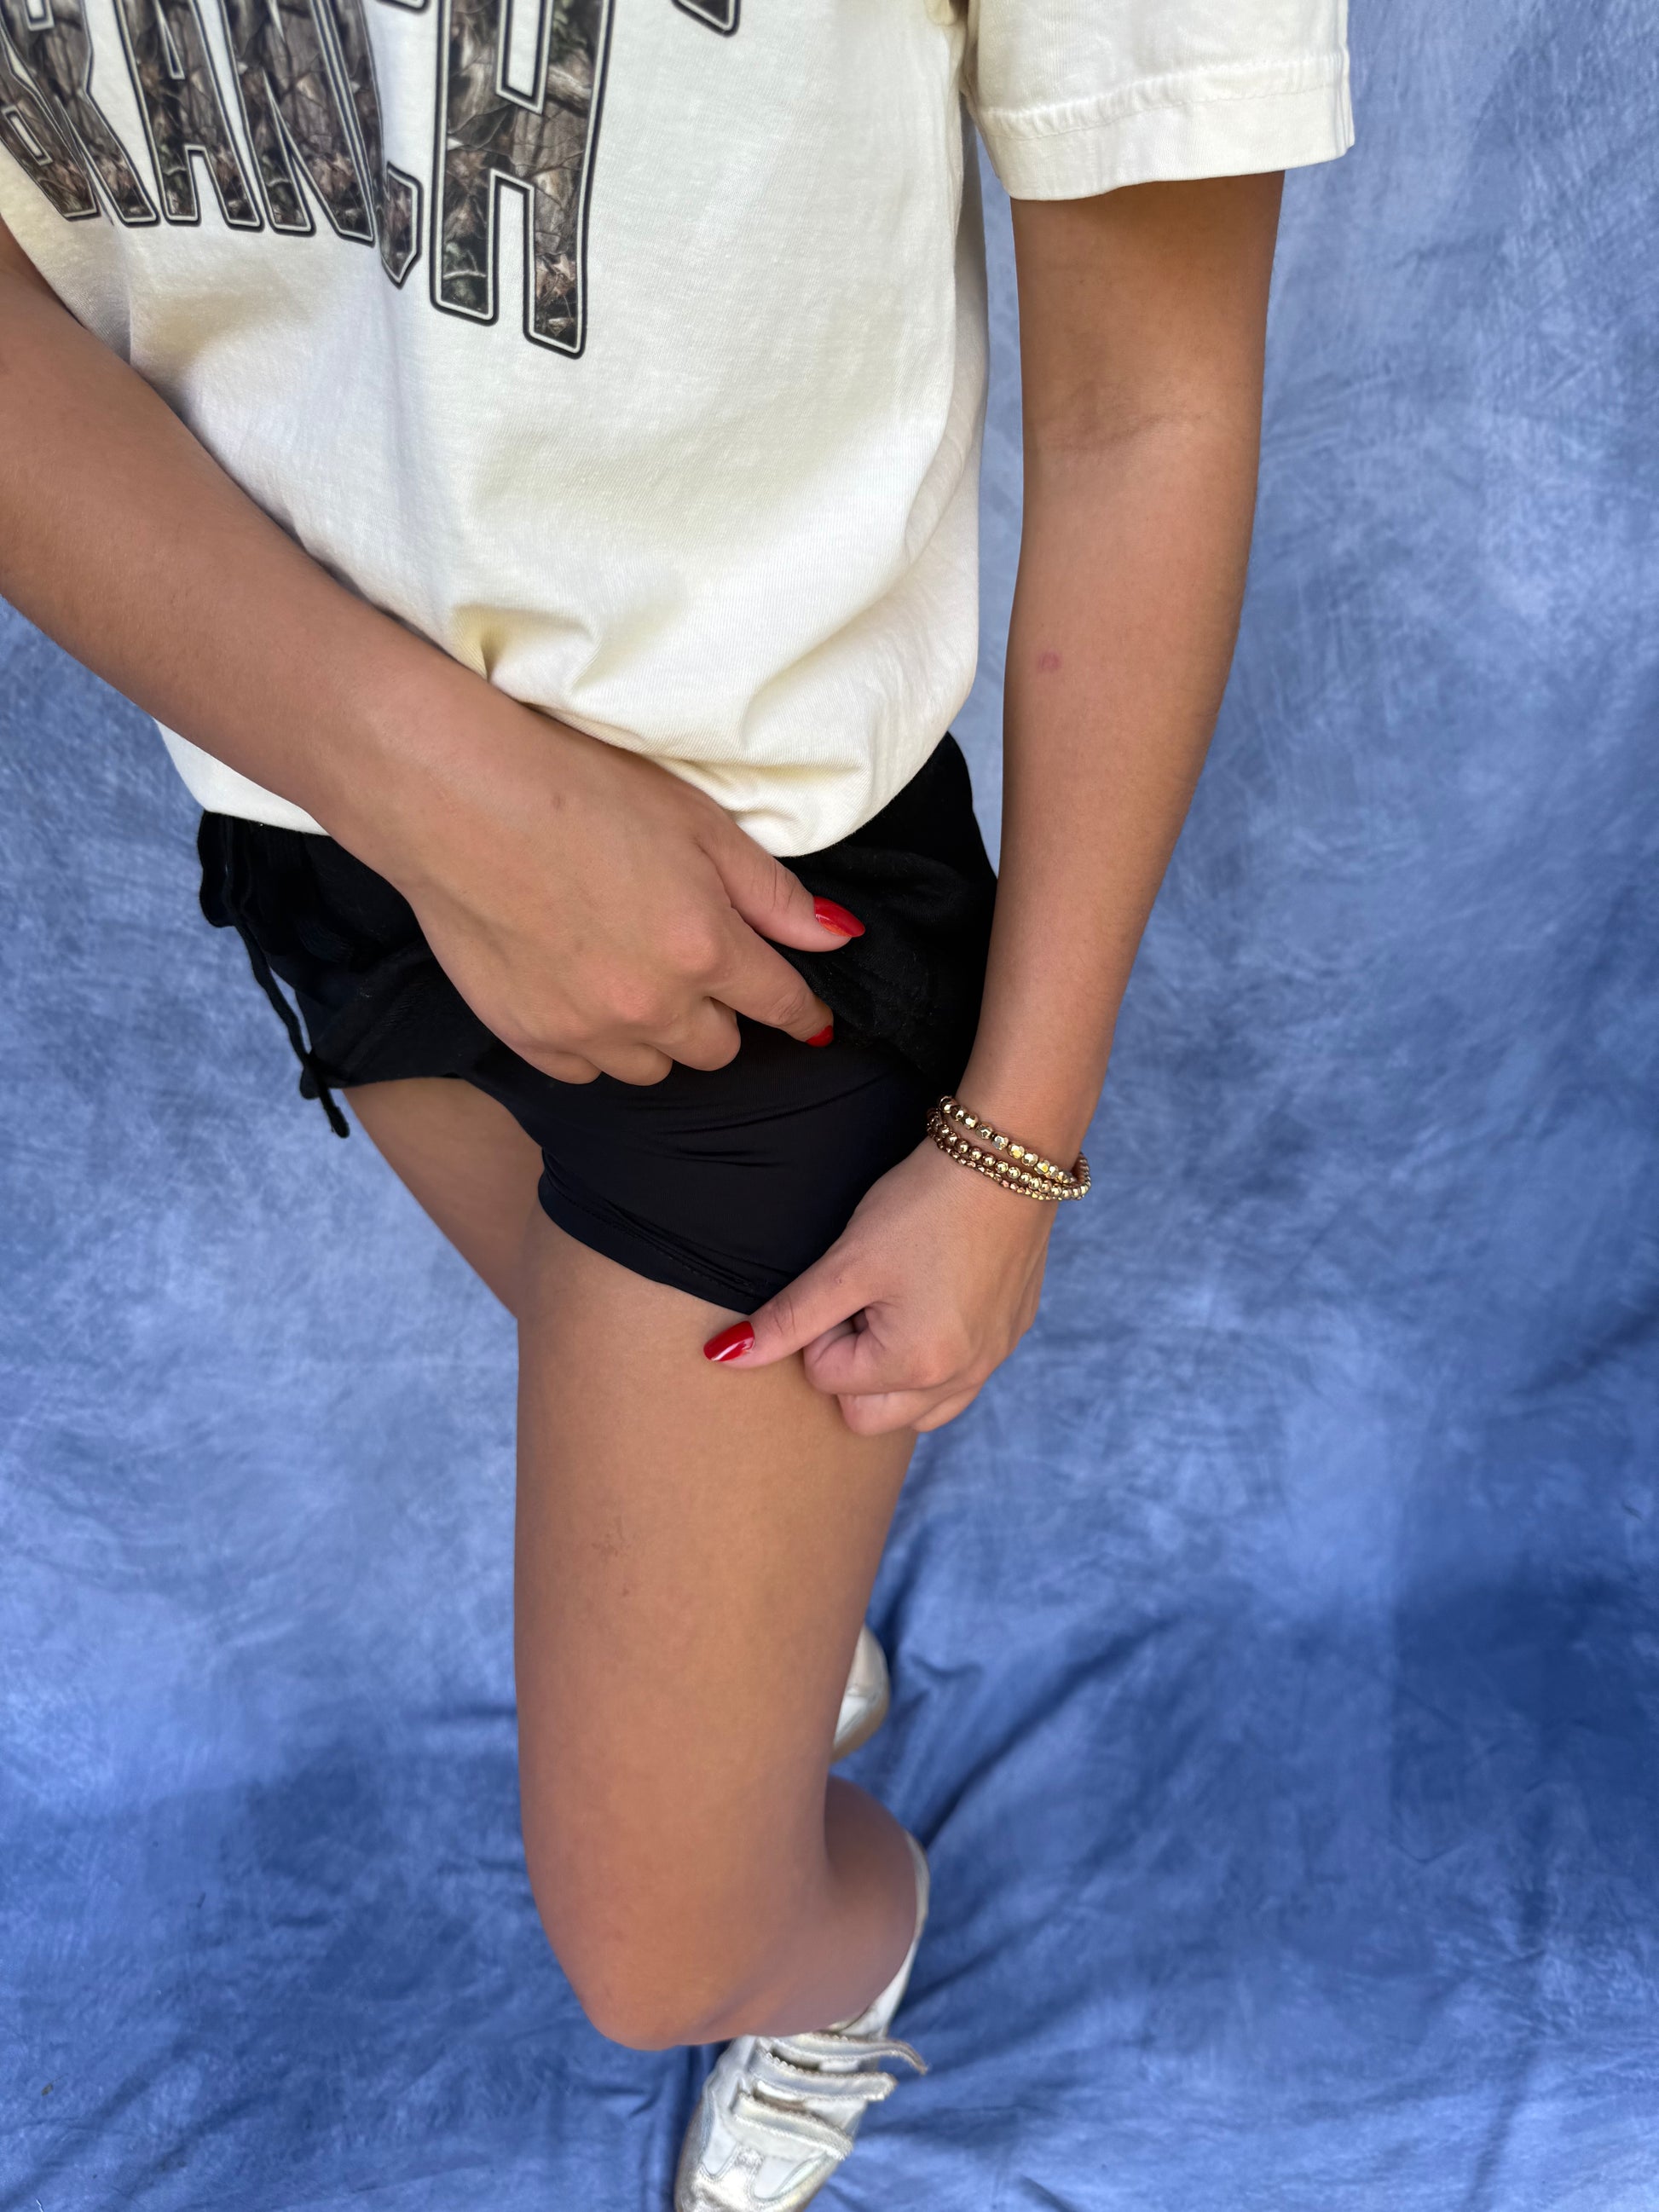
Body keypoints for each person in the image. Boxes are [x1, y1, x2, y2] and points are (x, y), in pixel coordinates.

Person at [0, 0, 1351, 2198]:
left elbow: (1151, 401)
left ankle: (843, 1959)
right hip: (298, 800)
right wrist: (429, 794)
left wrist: (1010, 1146)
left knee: (666, 1952)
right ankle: (777, 1642)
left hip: (758, 934)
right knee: (663, 1493)